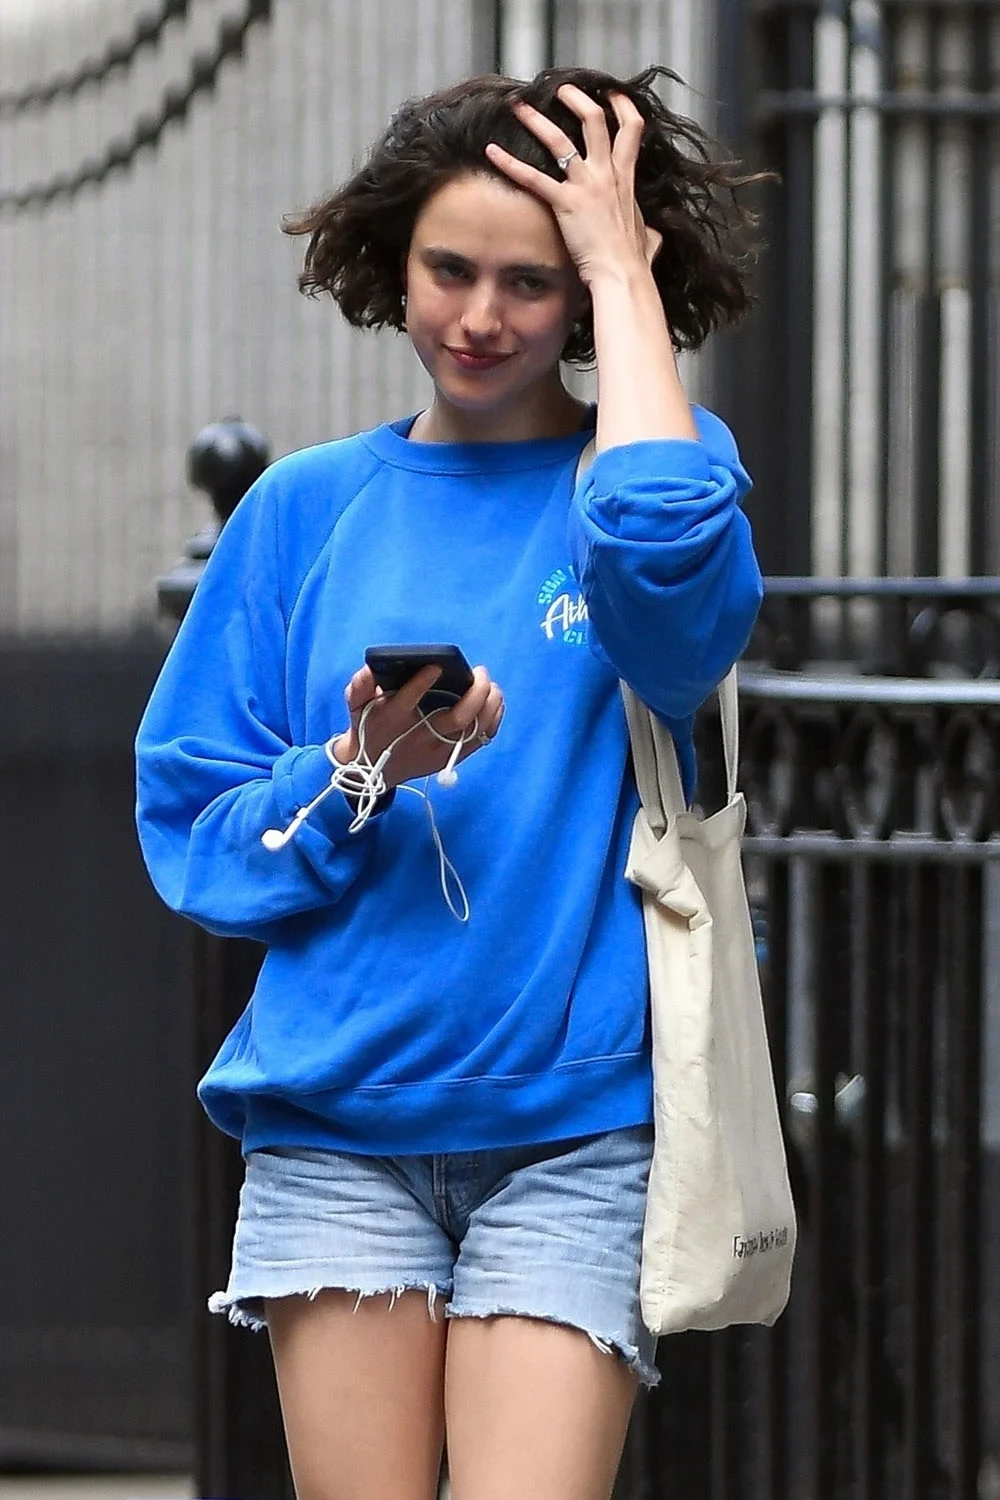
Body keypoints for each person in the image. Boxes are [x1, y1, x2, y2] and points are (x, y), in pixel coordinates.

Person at [136, 62, 764, 1500]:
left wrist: (624, 267)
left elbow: (676, 607)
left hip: (579, 1129)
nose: (481, 318)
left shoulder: (648, 472)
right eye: (450, 271)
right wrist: (363, 766)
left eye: (534, 282)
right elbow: (197, 839)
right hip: (338, 1121)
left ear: (589, 297)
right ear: (393, 263)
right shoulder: (303, 508)